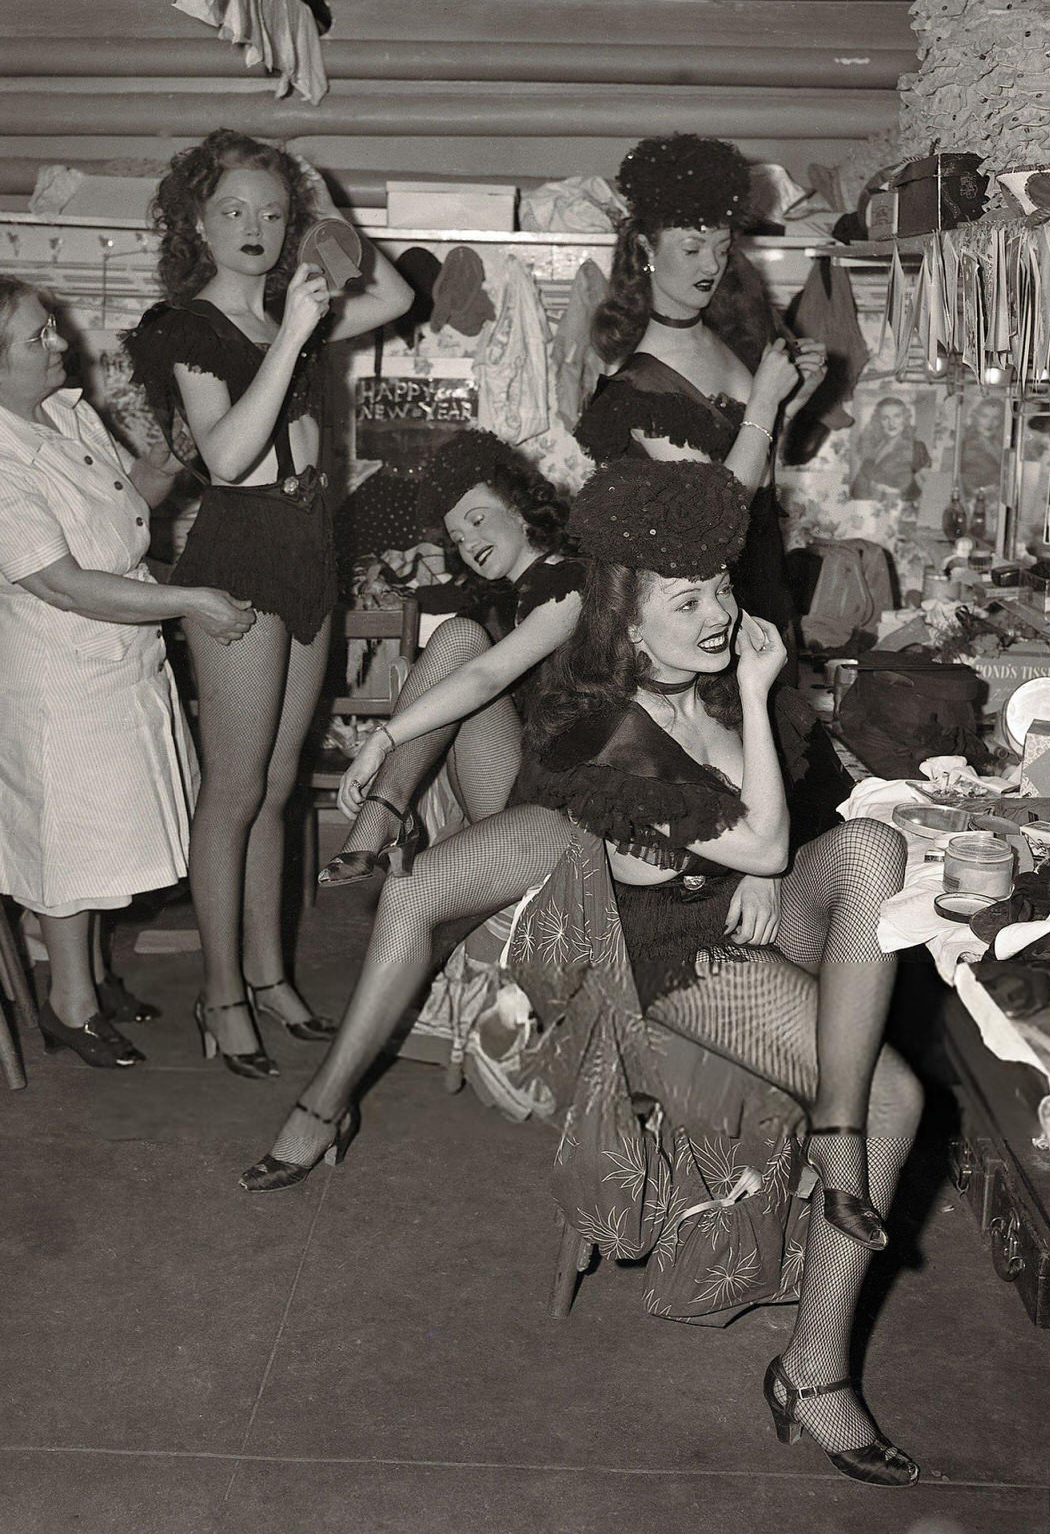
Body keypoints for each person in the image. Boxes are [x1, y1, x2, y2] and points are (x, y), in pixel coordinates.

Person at [242, 456, 919, 1484]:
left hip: (740, 915)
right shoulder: (603, 727)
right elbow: (764, 846)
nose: (717, 613)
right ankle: (815, 1367)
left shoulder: (711, 691)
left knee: (874, 851)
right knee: (899, 1096)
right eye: (686, 600)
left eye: (721, 591)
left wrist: (739, 755)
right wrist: (745, 712)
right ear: (628, 622)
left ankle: (833, 1141)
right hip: (673, 961)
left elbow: (761, 835)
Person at [125, 129, 412, 1075]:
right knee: (236, 790)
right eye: (233, 210)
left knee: (282, 790)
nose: (254, 227)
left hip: (308, 545)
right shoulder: (186, 327)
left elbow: (401, 295)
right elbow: (225, 458)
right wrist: (292, 332)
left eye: (272, 211)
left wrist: (319, 198)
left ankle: (270, 974)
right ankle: (219, 995)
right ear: (196, 225)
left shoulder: (297, 307)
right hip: (243, 546)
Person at [0, 273, 255, 1069]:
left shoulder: (57, 413)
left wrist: (182, 449)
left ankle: (98, 977)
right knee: (67, 849)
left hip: (120, 663)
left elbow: (129, 503)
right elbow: (65, 584)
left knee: (111, 836)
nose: (60, 344)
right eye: (37, 337)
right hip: (61, 675)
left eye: (52, 327)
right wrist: (189, 599)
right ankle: (69, 1005)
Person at [575, 134, 826, 642]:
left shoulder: (727, 340)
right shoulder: (638, 389)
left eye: (721, 248)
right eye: (692, 248)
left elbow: (757, 474)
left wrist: (790, 404)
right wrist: (764, 400)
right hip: (701, 616)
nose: (711, 265)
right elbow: (720, 512)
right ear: (646, 248)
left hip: (762, 583)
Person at [318, 427, 583, 887]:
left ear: (520, 511)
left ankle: (384, 814)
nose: (468, 544)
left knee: (460, 637)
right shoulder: (500, 602)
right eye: (457, 538)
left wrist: (381, 740)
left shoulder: (574, 583)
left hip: (561, 801)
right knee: (458, 633)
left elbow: (484, 679)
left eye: (477, 520)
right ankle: (390, 815)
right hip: (509, 778)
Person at [850, 396, 931, 505]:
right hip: (867, 509)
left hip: (900, 510)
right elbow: (856, 489)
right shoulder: (874, 448)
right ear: (879, 421)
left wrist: (893, 492)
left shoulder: (917, 448)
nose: (891, 423)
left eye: (897, 416)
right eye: (885, 418)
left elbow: (929, 489)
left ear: (905, 418)